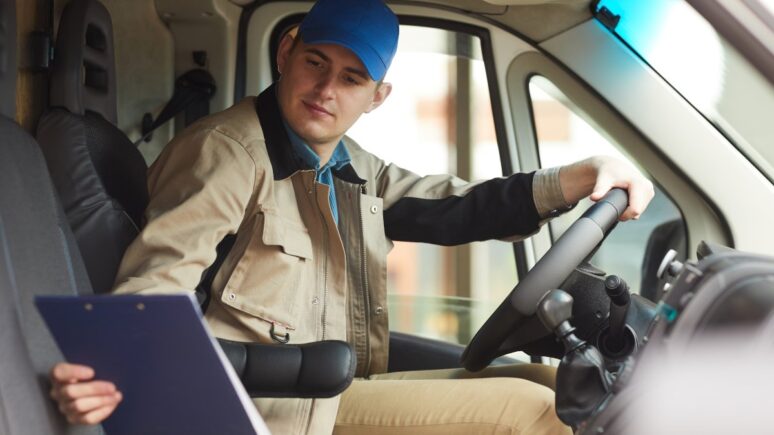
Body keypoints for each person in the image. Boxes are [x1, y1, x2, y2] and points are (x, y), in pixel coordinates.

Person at [49, 0, 654, 433]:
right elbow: (157, 283)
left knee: (543, 384)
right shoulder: (227, 154)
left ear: (376, 96)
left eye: (351, 77)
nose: (326, 90)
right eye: (315, 62)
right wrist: (111, 372)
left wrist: (579, 176)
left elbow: (453, 208)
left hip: (328, 395)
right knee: (532, 417)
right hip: (264, 408)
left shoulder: (343, 163)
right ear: (287, 54)